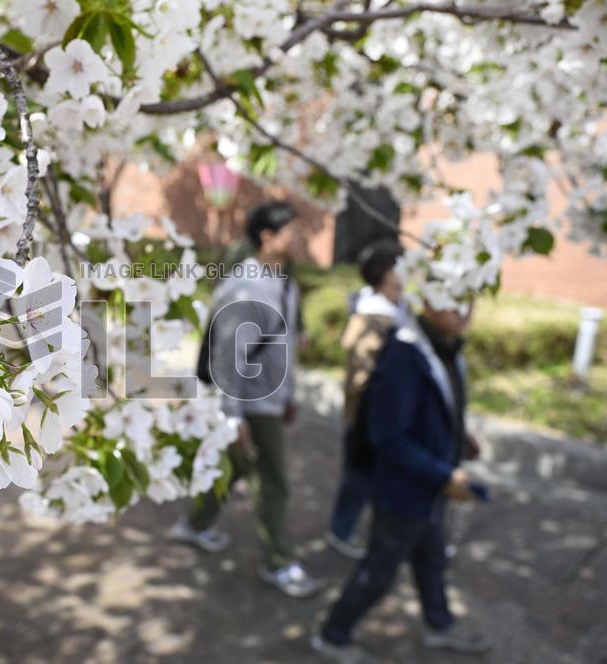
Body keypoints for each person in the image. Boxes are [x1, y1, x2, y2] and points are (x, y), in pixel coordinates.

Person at [312, 301, 491, 662]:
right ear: (427, 299)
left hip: (430, 487)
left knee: (431, 559)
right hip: (405, 490)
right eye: (453, 298)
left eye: (470, 299)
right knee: (379, 570)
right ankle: (333, 635)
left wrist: (458, 435)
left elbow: (435, 407)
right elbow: (388, 437)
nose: (463, 310)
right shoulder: (404, 356)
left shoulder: (445, 347)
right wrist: (444, 475)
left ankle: (439, 624)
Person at [170, 200, 319, 598]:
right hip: (252, 402)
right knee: (274, 483)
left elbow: (280, 342)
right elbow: (229, 359)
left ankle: (194, 525)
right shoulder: (246, 286)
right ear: (267, 237)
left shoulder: (281, 279)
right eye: (291, 231)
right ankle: (279, 562)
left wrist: (287, 394)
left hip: (269, 397)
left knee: (233, 467)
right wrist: (232, 418)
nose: (298, 238)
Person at [325, 241, 409, 559]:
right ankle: (341, 530)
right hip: (368, 415)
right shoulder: (371, 317)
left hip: (388, 415)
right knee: (359, 476)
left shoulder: (400, 308)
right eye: (398, 267)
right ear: (382, 275)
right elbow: (365, 376)